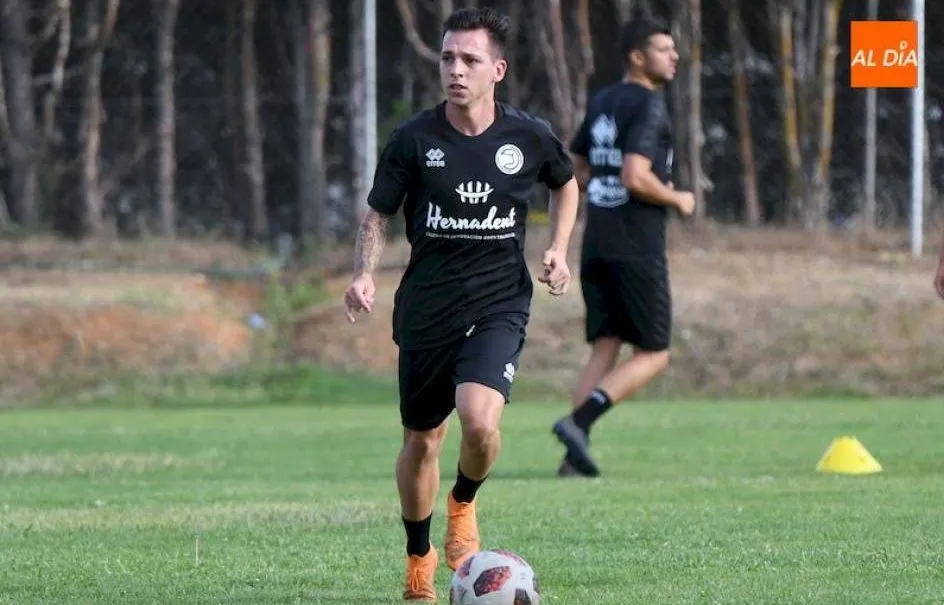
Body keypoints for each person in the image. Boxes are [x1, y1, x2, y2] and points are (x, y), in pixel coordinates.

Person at [343, 7, 580, 601]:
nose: (456, 69)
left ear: (496, 69)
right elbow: (378, 212)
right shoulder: (414, 140)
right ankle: (418, 554)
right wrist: (363, 276)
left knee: (478, 421)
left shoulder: (528, 135)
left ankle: (463, 502)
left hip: (499, 303)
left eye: (470, 59)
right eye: (448, 57)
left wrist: (558, 249)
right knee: (423, 441)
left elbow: (565, 181)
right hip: (426, 308)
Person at [551, 16, 695, 478]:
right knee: (655, 352)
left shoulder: (603, 101)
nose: (673, 56)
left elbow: (574, 165)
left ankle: (573, 460)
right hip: (636, 245)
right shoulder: (649, 105)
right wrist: (679, 198)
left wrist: (603, 186)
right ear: (637, 57)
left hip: (597, 242)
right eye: (662, 49)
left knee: (605, 346)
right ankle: (580, 423)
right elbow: (635, 176)